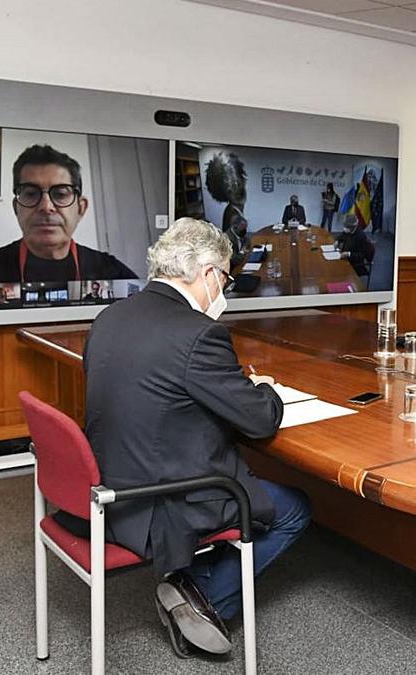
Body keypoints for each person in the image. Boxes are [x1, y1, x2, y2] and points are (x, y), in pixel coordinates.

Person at [81, 218, 311, 658]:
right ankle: (201, 597)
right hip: (163, 498)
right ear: (208, 273)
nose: (223, 291)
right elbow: (260, 421)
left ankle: (190, 584)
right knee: (295, 509)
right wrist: (267, 390)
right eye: (225, 278)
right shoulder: (199, 334)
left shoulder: (110, 316)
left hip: (110, 486)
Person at [0, 144, 136, 307]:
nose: (46, 207)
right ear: (17, 208)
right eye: (31, 194)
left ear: (81, 208)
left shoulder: (110, 271)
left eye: (60, 194)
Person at [335, 212, 373, 280]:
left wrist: (349, 254)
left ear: (352, 227)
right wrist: (337, 241)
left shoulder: (361, 236)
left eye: (346, 227)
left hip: (354, 263)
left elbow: (361, 256)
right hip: (344, 257)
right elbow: (342, 235)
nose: (344, 229)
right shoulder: (348, 230)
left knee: (336, 273)